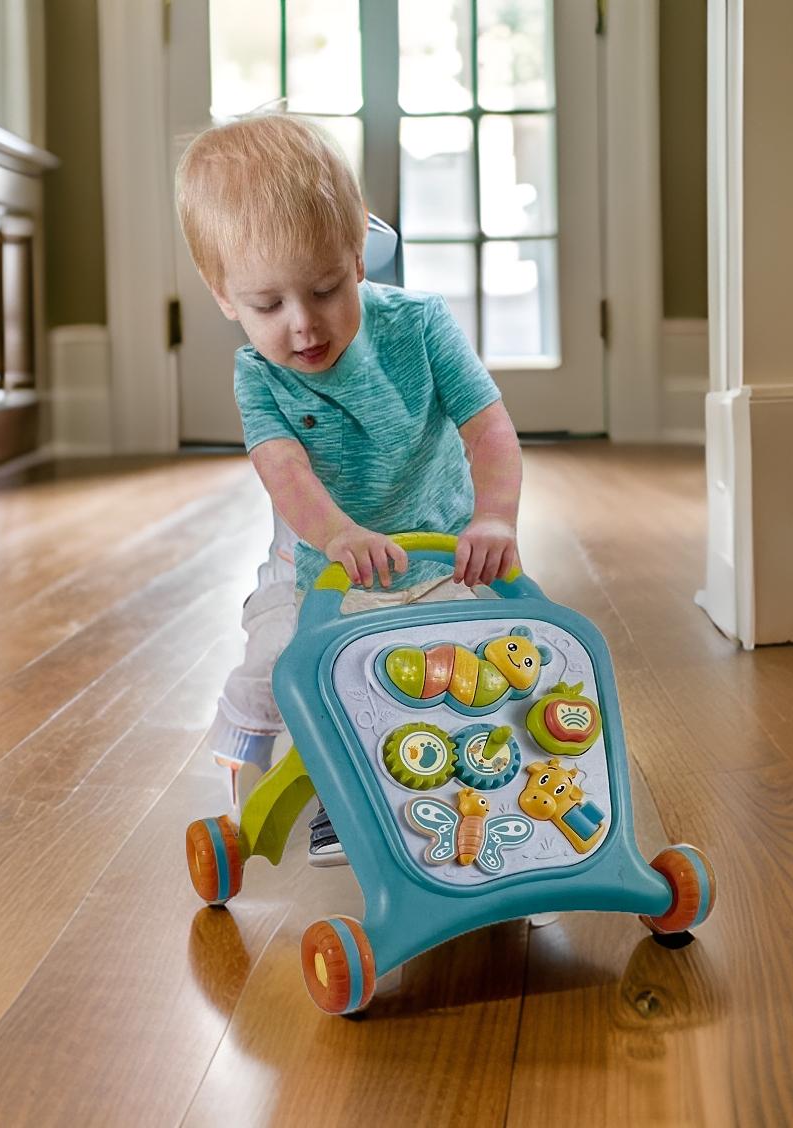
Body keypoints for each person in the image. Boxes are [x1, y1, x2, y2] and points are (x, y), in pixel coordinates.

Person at [175, 112, 523, 864]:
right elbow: (286, 473)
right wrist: (337, 536)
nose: (302, 325)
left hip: (439, 558)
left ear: (358, 258)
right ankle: (277, 762)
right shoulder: (258, 374)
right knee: (287, 662)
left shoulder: (422, 327)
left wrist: (493, 518)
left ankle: (490, 796)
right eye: (268, 305)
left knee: (481, 665)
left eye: (326, 289)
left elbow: (488, 430)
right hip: (317, 564)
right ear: (224, 295)